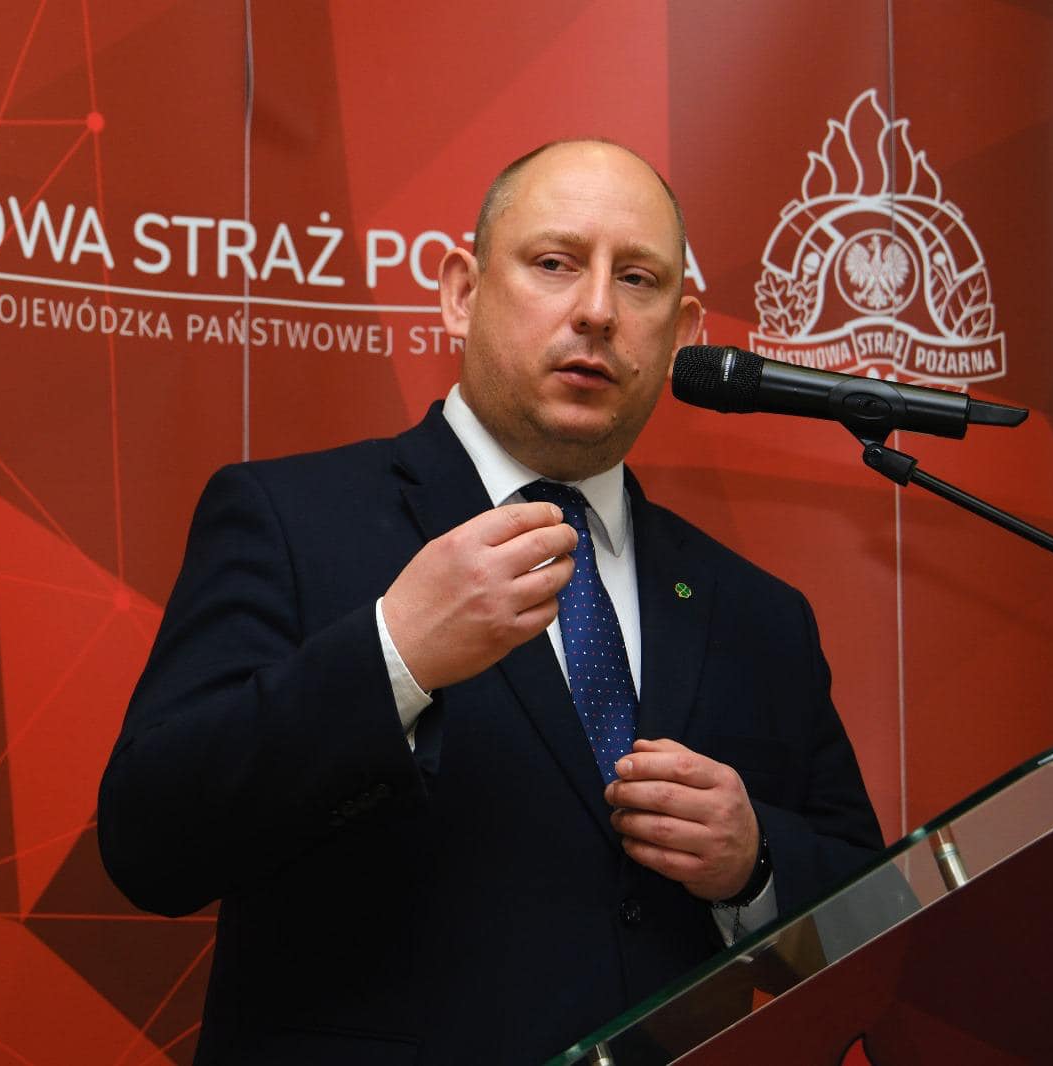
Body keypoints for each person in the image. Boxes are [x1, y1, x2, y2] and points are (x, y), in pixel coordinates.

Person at [98, 140, 882, 1065]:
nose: (597, 310)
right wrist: (393, 656)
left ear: (682, 333)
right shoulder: (290, 520)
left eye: (638, 279)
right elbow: (151, 843)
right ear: (461, 293)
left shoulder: (758, 615)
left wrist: (756, 865)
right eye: (554, 263)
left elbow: (881, 936)